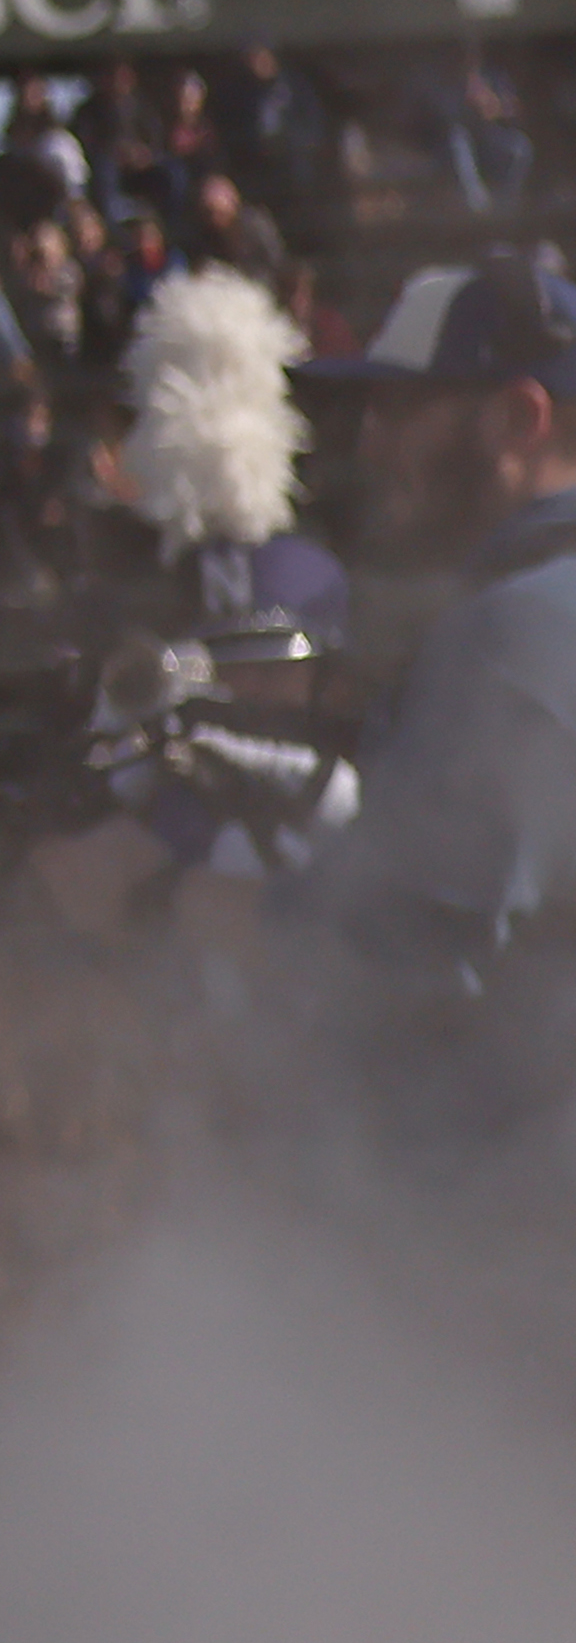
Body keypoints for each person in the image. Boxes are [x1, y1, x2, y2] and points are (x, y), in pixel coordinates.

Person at [295, 258, 576, 1156]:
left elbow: (401, 964)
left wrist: (189, 902)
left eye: (400, 409)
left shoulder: (516, 630)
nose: (371, 443)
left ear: (520, 417)